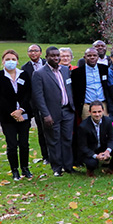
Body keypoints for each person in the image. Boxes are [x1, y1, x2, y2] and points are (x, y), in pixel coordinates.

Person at [31, 46, 76, 176]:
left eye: (57, 55)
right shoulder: (39, 74)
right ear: (46, 58)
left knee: (67, 139)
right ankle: (57, 168)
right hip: (51, 113)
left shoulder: (66, 70)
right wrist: (45, 115)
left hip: (68, 110)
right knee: (54, 140)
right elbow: (38, 97)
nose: (56, 58)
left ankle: (68, 166)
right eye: (52, 56)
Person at [0, 49, 33, 180]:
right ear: (3, 61)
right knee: (11, 144)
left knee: (24, 143)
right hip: (7, 117)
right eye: (8, 59)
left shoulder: (24, 75)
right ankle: (14, 169)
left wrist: (21, 110)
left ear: (17, 61)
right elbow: (0, 97)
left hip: (24, 115)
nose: (10, 62)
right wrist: (14, 113)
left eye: (13, 59)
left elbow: (28, 94)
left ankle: (25, 168)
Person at [71, 47, 111, 167]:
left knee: (105, 129)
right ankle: (88, 156)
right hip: (87, 106)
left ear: (98, 57)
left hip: (102, 104)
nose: (92, 57)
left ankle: (105, 156)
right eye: (89, 55)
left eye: (94, 55)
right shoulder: (78, 72)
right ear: (84, 57)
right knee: (86, 131)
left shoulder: (104, 69)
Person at [22, 43, 49, 164]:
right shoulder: (25, 68)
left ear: (40, 52)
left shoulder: (47, 64)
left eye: (35, 50)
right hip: (36, 103)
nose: (33, 53)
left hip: (50, 99)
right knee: (42, 129)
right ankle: (46, 156)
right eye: (30, 51)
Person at [78, 101, 113, 177]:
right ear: (89, 112)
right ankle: (90, 171)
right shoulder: (83, 126)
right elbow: (82, 146)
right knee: (92, 163)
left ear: (103, 111)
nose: (97, 114)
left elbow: (112, 138)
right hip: (90, 149)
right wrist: (96, 156)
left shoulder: (108, 121)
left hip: (102, 147)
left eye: (99, 111)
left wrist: (107, 151)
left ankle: (111, 169)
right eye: (94, 112)